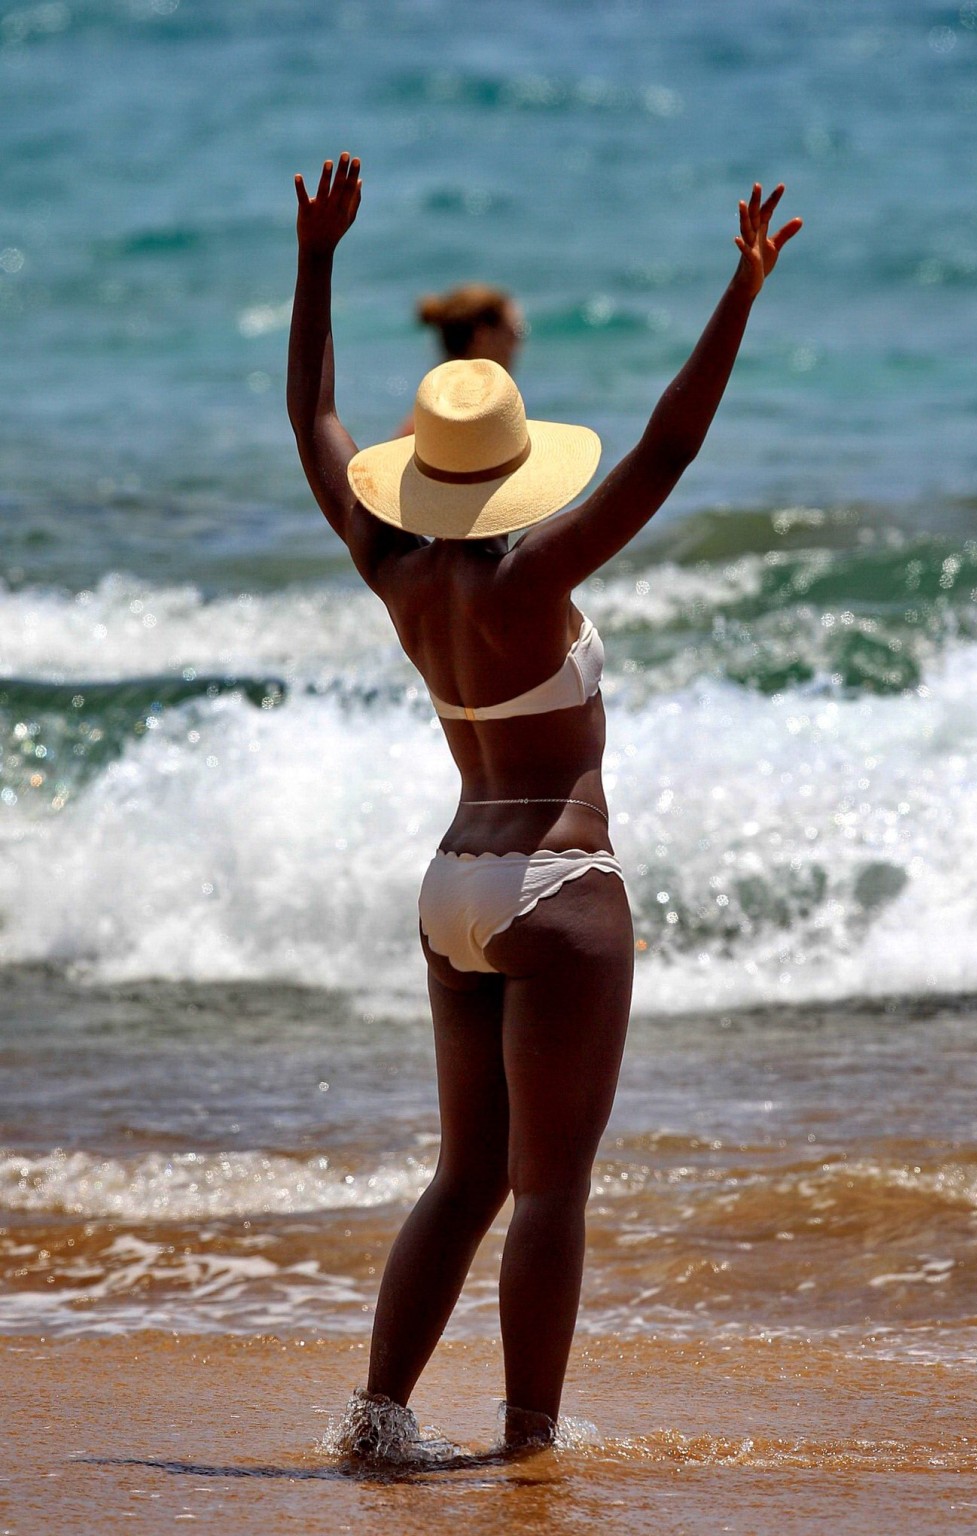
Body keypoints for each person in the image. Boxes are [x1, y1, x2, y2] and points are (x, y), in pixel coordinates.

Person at [287, 151, 800, 1457]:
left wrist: (318, 258)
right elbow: (671, 446)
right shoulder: (535, 573)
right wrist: (741, 290)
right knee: (549, 1188)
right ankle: (526, 1447)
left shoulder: (391, 563)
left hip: (453, 884)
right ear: (512, 468)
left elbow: (315, 422)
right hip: (558, 889)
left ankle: (380, 1412)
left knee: (464, 1178)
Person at [395, 282, 524, 436]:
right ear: (482, 337)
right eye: (516, 333)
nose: (519, 345)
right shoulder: (476, 417)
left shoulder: (425, 420)